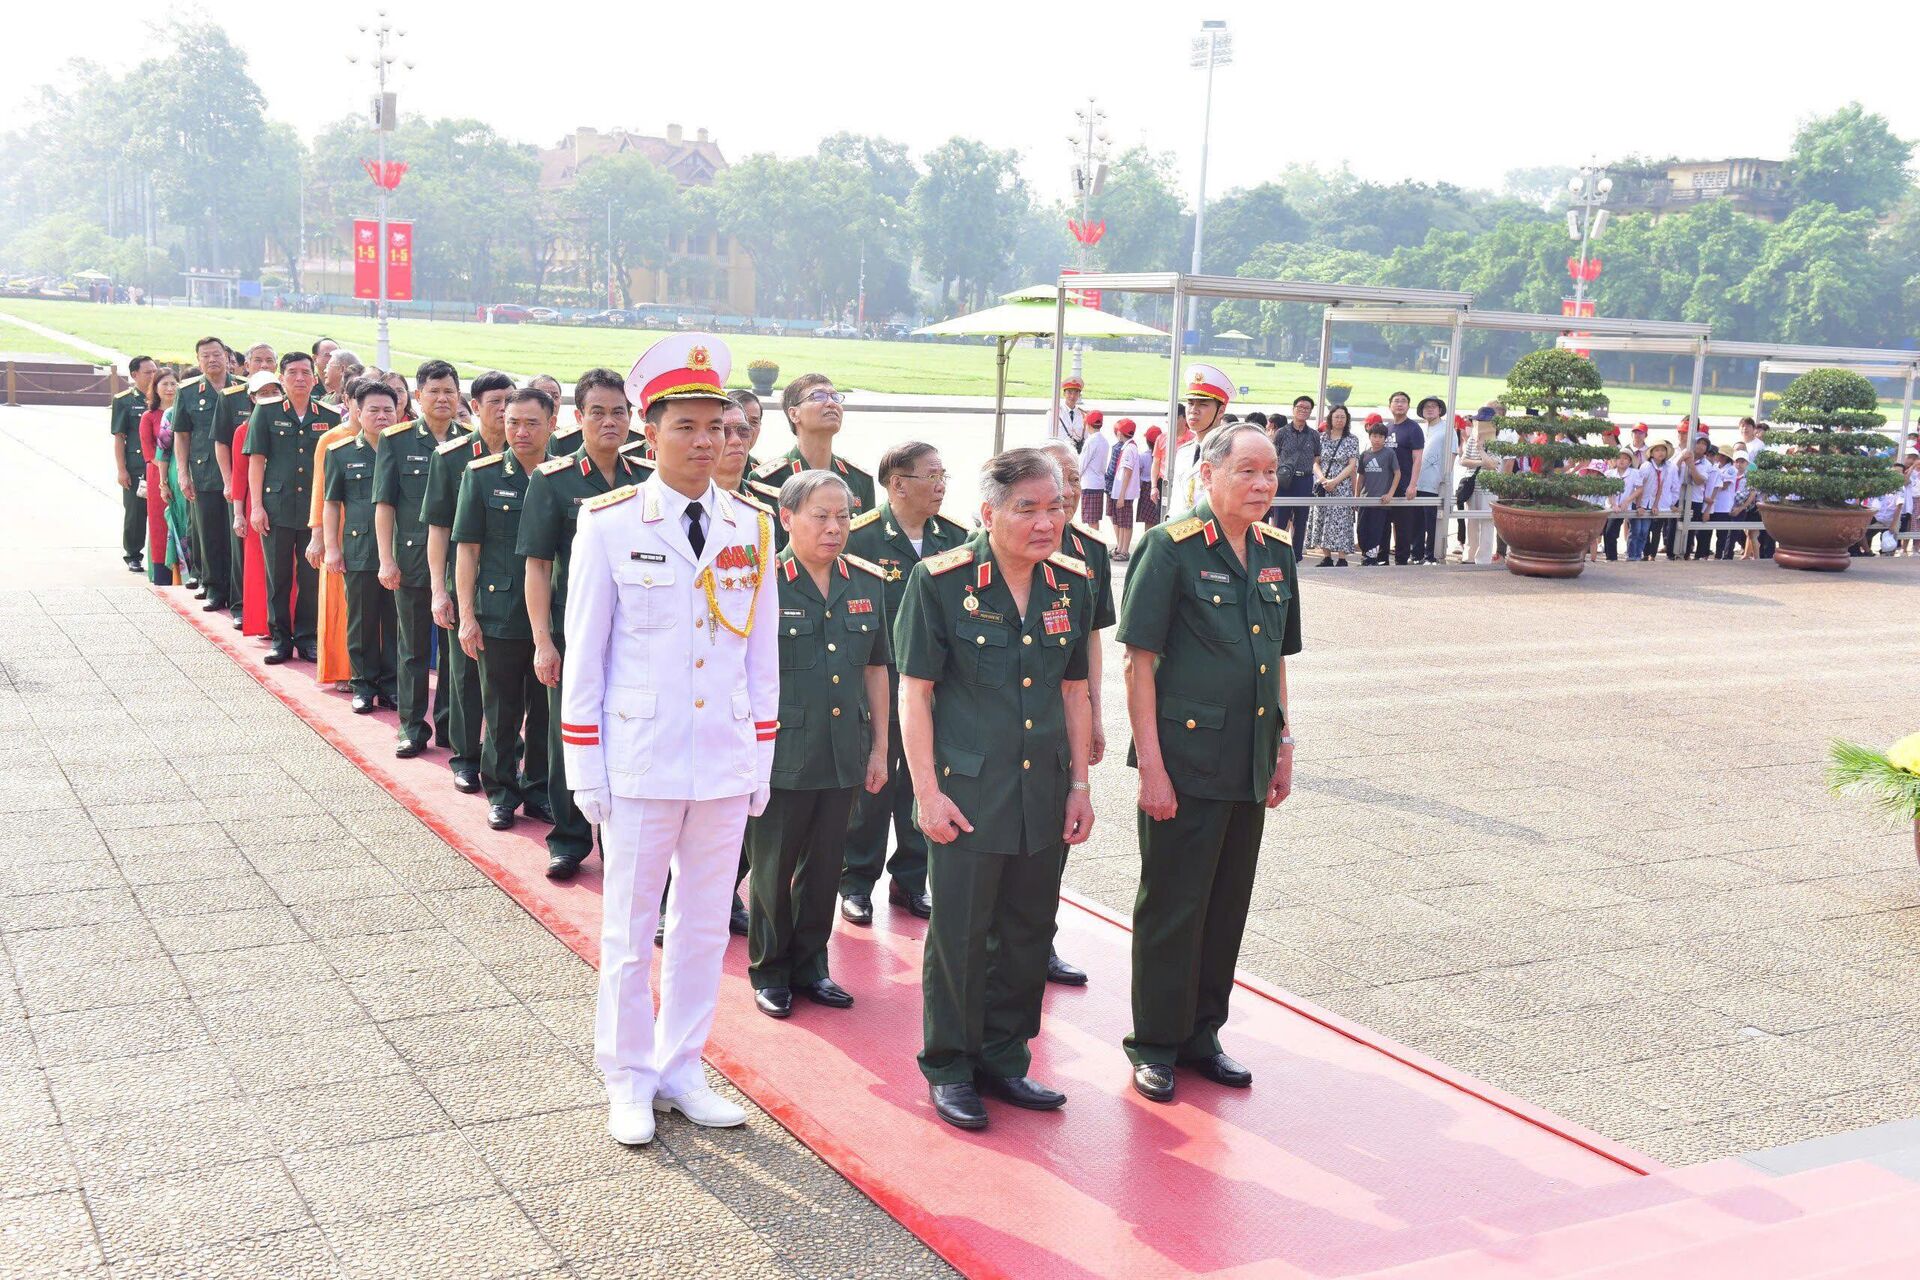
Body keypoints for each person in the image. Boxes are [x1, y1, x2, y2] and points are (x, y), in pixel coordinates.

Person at [560, 333, 777, 1146]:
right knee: (629, 926)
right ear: (649, 434)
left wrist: (760, 757)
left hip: (721, 757)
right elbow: (586, 653)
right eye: (685, 426)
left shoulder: (750, 527)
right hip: (642, 758)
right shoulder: (611, 523)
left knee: (701, 927)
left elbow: (763, 658)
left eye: (715, 427)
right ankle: (626, 1075)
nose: (703, 442)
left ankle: (682, 1065)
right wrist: (586, 763)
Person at [895, 447, 1095, 1131]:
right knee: (960, 931)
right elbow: (914, 694)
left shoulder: (1071, 581)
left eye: (1056, 508)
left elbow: (1075, 690)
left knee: (1026, 931)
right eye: (1028, 509)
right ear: (988, 513)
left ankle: (1006, 1059)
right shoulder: (941, 581)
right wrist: (926, 793)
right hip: (969, 795)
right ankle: (950, 1066)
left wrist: (1080, 785)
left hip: (1042, 793)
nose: (1046, 523)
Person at [1117, 422, 1299, 1104]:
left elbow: (1276, 656)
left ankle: (1202, 1033)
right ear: (1209, 474)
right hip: (1185, 761)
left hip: (1247, 759)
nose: (1261, 485)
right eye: (1247, 471)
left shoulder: (1275, 552)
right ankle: (1156, 1044)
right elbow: (1140, 662)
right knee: (1173, 903)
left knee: (1226, 904)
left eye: (1270, 473)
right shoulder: (1169, 549)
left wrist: (1284, 744)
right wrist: (1151, 770)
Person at [747, 471, 890, 1018]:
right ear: (786, 518)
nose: (835, 528)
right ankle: (770, 969)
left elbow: (877, 669)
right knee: (772, 866)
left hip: (842, 751)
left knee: (826, 865)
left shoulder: (867, 581)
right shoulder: (761, 581)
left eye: (844, 517)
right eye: (821, 516)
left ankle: (811, 966)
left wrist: (879, 749)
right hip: (782, 751)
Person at [519, 368, 651, 878]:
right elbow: (537, 565)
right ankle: (570, 838)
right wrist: (543, 642)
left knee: (629, 733)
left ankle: (624, 838)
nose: (609, 421)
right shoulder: (552, 481)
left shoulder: (646, 478)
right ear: (578, 418)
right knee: (567, 733)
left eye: (619, 411)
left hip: (637, 634)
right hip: (574, 632)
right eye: (597, 411)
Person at [840, 442, 965, 926]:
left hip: (933, 691)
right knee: (872, 791)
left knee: (922, 786)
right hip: (876, 685)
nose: (939, 485)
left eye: (943, 475)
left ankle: (911, 882)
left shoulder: (953, 537)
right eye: (930, 475)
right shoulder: (860, 538)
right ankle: (856, 883)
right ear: (897, 484)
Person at [454, 387, 556, 832]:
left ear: (552, 424)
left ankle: (538, 789)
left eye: (531, 422)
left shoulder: (563, 477)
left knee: (546, 712)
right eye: (512, 421)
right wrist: (466, 615)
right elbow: (467, 550)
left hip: (555, 615)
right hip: (499, 611)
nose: (520, 431)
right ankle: (500, 791)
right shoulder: (481, 476)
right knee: (501, 709)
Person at [1035, 439, 1117, 987]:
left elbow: (1090, 643)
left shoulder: (1090, 552)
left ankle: (1041, 943)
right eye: (1053, 478)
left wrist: (1096, 715)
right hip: (1007, 712)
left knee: (1054, 835)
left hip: (1065, 710)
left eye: (1071, 479)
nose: (1065, 489)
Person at [374, 360, 470, 758]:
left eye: (449, 391)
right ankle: (412, 726)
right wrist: (386, 559)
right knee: (413, 648)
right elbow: (384, 504)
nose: (443, 398)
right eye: (434, 391)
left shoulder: (471, 441)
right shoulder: (396, 441)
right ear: (417, 396)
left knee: (454, 652)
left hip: (461, 563)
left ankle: (449, 724)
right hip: (412, 560)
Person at [424, 371, 513, 793]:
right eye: (495, 401)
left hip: (511, 582)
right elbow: (439, 529)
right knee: (463, 674)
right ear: (475, 407)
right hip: (465, 580)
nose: (504, 409)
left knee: (507, 682)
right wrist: (439, 592)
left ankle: (506, 758)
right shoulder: (452, 456)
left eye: (509, 400)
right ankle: (465, 756)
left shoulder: (534, 453)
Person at [244, 352, 341, 663]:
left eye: (305, 373)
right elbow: (256, 461)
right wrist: (256, 506)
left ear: (315, 379)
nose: (300, 378)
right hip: (277, 507)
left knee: (311, 578)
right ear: (281, 378)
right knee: (279, 577)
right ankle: (280, 638)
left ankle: (307, 637)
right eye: (293, 373)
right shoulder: (266, 412)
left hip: (313, 513)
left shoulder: (329, 415)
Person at [323, 377, 399, 713]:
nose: (382, 416)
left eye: (388, 409)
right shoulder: (340, 453)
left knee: (397, 620)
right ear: (357, 410)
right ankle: (363, 684)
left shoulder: (405, 450)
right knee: (363, 619)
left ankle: (393, 684)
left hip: (402, 548)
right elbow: (330, 502)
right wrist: (332, 547)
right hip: (360, 547)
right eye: (374, 410)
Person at [173, 336, 240, 617]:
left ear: (227, 356)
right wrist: (182, 473)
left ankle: (238, 593)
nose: (212, 360)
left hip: (238, 473)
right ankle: (214, 588)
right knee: (209, 533)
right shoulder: (188, 392)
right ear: (198, 360)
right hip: (204, 472)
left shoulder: (241, 388)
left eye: (216, 354)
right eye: (205, 356)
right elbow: (182, 434)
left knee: (236, 536)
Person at [752, 374, 875, 524]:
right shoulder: (768, 479)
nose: (831, 403)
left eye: (835, 397)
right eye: (818, 396)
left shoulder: (859, 479)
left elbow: (866, 540)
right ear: (794, 414)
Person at [308, 387, 363, 688]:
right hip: (337, 530)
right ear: (348, 402)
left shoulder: (389, 437)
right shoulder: (331, 439)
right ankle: (342, 669)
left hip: (372, 531)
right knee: (340, 604)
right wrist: (319, 536)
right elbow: (320, 489)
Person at [111, 357, 157, 575]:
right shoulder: (124, 401)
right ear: (134, 375)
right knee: (136, 515)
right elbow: (120, 437)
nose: (152, 376)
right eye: (147, 372)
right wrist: (122, 469)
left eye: (154, 371)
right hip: (137, 466)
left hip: (161, 465)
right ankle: (133, 555)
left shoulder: (163, 397)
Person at [139, 366, 182, 585]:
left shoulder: (184, 411)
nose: (169, 388)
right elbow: (149, 452)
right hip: (159, 475)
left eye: (173, 383)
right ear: (155, 388)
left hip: (183, 473)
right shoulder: (149, 416)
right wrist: (168, 469)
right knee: (160, 523)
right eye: (164, 384)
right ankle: (161, 573)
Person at [1170, 364, 1232, 514]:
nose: (1193, 410)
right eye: (1190, 403)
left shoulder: (1229, 454)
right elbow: (1176, 505)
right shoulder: (1184, 452)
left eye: (1203, 404)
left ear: (1221, 411)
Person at [1306, 405, 1359, 567]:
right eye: (1336, 416)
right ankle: (1326, 555)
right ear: (1330, 418)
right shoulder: (1321, 438)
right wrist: (1323, 480)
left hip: (1341, 486)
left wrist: (1335, 481)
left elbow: (1352, 465)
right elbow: (1315, 462)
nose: (1339, 420)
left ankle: (1342, 557)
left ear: (1347, 419)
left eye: (1343, 417)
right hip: (1323, 485)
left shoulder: (1352, 439)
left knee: (1341, 520)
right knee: (1322, 518)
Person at [1379, 392, 1424, 565]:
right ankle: (1382, 558)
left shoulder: (1413, 428)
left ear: (1408, 406)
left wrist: (1413, 484)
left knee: (1403, 525)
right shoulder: (1387, 428)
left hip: (1404, 484)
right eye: (1396, 401)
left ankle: (1401, 561)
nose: (1400, 404)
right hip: (1385, 485)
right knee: (1383, 524)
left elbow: (1417, 459)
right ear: (1389, 405)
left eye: (1404, 401)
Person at [1271, 396, 1319, 549]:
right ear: (1293, 409)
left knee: (1301, 519)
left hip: (1304, 480)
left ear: (1310, 412)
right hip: (1284, 481)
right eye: (1300, 407)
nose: (1303, 410)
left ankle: (1297, 555)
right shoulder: (1282, 433)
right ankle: (1278, 553)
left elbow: (1316, 457)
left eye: (1307, 408)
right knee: (1280, 520)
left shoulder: (1314, 435)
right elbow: (1273, 455)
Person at [1458, 407, 1500, 566]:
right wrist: (1482, 461)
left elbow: (1493, 465)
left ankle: (1483, 558)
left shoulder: (1497, 443)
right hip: (1472, 485)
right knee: (1472, 522)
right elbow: (1463, 461)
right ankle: (1469, 556)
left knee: (1487, 523)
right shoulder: (1471, 441)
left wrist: (1481, 450)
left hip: (1489, 487)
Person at [1355, 422, 1399, 565]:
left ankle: (1371, 558)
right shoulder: (1365, 455)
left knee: (1376, 531)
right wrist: (1356, 498)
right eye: (1374, 436)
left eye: (1381, 436)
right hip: (1365, 500)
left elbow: (1397, 474)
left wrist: (1390, 493)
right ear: (1369, 437)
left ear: (1385, 438)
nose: (1377, 439)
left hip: (1380, 502)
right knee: (1361, 530)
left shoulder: (1389, 453)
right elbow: (1360, 477)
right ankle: (1365, 555)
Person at [1412, 396, 1449, 563]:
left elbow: (1452, 455)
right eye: (1427, 407)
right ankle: (1416, 554)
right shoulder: (1420, 429)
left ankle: (1431, 555)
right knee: (1416, 521)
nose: (1430, 409)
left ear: (1440, 410)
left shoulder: (1446, 429)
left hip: (1435, 483)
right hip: (1417, 482)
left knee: (1432, 523)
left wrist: (1445, 479)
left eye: (1434, 406)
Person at [1107, 418, 1143, 560]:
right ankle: (1120, 547)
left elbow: (1127, 472)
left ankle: (1124, 550)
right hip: (1122, 492)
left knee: (1125, 523)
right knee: (1121, 523)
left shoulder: (1129, 449)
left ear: (1120, 433)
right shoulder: (1128, 447)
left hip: (1125, 494)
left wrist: (1121, 495)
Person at [1642, 440, 1682, 562]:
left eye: (1663, 450)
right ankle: (1645, 552)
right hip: (1646, 502)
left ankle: (1652, 555)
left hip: (1663, 503)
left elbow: (1675, 487)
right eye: (1657, 450)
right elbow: (1640, 485)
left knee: (1656, 529)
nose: (1661, 453)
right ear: (1652, 453)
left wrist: (1671, 503)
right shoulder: (1646, 466)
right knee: (1645, 529)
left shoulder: (1672, 467)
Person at [1076, 409, 1111, 533]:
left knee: (1090, 521)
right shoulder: (1104, 441)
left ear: (1087, 424)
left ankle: (1091, 547)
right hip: (1099, 483)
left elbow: (1082, 464)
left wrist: (1074, 478)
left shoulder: (1091, 441)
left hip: (1089, 483)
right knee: (1094, 520)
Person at [1683, 435, 1716, 560]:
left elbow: (1698, 481)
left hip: (1695, 499)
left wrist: (1691, 466)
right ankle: (1673, 553)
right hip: (1680, 498)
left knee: (1691, 529)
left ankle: (1686, 553)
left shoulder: (1707, 464)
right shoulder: (1684, 455)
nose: (1701, 446)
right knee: (1674, 526)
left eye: (1704, 444)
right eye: (1699, 443)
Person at [1138, 425, 1165, 529]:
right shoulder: (1164, 455)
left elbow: (1139, 473)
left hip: (1146, 489)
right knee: (1160, 518)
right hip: (1160, 485)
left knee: (1148, 521)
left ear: (1147, 441)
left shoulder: (1143, 456)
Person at [1053, 375, 1086, 446]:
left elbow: (1085, 438)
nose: (1072, 396)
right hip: (1060, 450)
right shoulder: (1055, 413)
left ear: (1079, 395)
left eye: (1076, 393)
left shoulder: (1083, 415)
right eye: (1069, 392)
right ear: (1064, 393)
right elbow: (1049, 436)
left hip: (1077, 453)